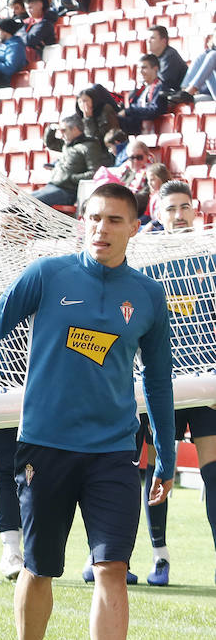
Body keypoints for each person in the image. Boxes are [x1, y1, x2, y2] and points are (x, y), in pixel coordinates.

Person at [0, 182, 174, 640]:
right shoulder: (47, 275)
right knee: (40, 567)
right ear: (82, 223)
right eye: (93, 217)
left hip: (115, 452)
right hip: (44, 448)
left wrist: (164, 453)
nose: (101, 228)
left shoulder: (146, 295)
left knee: (111, 567)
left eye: (114, 220)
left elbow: (160, 382)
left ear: (134, 227)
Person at [131, 181, 216, 585]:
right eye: (171, 209)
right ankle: (158, 557)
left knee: (214, 473)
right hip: (158, 385)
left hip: (204, 386)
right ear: (157, 214)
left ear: (196, 212)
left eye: (186, 207)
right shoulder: (145, 263)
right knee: (156, 471)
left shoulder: (211, 257)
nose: (179, 215)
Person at [35, 114, 110, 206]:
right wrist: (51, 128)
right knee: (22, 201)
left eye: (63, 130)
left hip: (67, 191)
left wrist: (72, 178)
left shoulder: (89, 146)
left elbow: (95, 173)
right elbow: (50, 143)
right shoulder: (67, 145)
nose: (61, 134)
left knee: (31, 203)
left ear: (75, 129)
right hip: (53, 186)